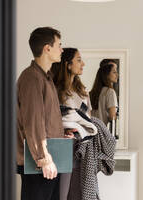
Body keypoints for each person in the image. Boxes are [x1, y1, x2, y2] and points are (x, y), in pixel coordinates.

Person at [17, 27, 70, 200]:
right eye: (59, 45)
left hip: (50, 159)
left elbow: (46, 119)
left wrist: (62, 134)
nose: (62, 49)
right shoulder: (31, 78)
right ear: (47, 48)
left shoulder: (46, 78)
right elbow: (33, 122)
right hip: (39, 162)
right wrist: (43, 159)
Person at [51, 48, 98, 200]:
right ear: (67, 64)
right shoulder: (55, 90)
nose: (83, 63)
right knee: (62, 192)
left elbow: (88, 119)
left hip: (82, 147)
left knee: (79, 191)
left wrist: (79, 128)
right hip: (62, 146)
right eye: (78, 60)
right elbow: (52, 119)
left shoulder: (83, 91)